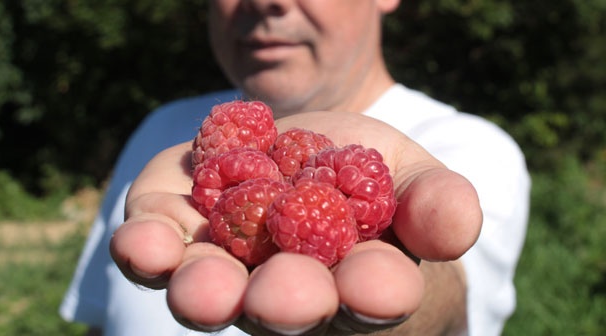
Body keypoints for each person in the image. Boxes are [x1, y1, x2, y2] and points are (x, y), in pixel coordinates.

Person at [60, 1, 531, 335]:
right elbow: (106, 323)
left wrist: (372, 309)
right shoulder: (161, 135)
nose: (266, 2)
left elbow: (449, 305)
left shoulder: (470, 146)